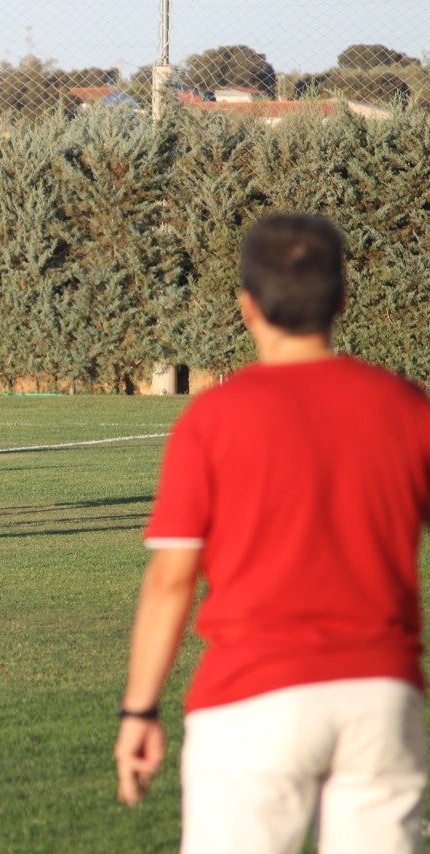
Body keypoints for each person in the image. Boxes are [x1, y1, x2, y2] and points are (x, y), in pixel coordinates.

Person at [114, 213, 430, 852]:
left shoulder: (213, 419)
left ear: (247, 305)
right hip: (381, 694)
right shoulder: (406, 406)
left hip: (252, 698)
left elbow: (172, 577)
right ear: (342, 299)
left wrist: (140, 708)